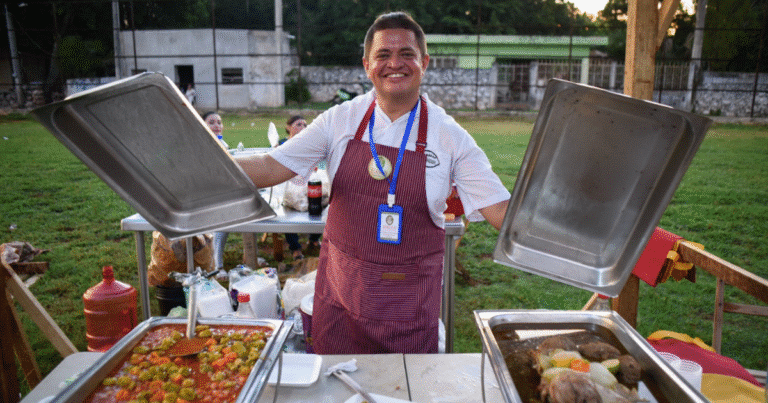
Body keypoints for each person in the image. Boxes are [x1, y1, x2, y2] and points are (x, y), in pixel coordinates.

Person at [235, 11, 510, 354]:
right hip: (341, 303)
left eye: (407, 54)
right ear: (367, 64)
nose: (395, 63)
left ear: (424, 62)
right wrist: (199, 163)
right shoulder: (340, 119)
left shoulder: (450, 136)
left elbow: (500, 209)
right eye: (383, 55)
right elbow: (270, 165)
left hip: (407, 314)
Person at [281, 115, 322, 260]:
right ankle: (295, 248)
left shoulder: (310, 145)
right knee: (287, 214)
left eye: (305, 125)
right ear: (288, 127)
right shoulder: (281, 144)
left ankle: (314, 238)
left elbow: (317, 165)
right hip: (288, 185)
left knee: (318, 204)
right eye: (299, 124)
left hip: (308, 183)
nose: (303, 128)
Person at [202, 111, 229, 271]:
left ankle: (250, 254)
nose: (217, 126)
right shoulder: (201, 144)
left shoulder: (223, 144)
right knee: (224, 218)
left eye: (219, 122)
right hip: (204, 195)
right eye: (212, 122)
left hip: (221, 192)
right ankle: (216, 265)